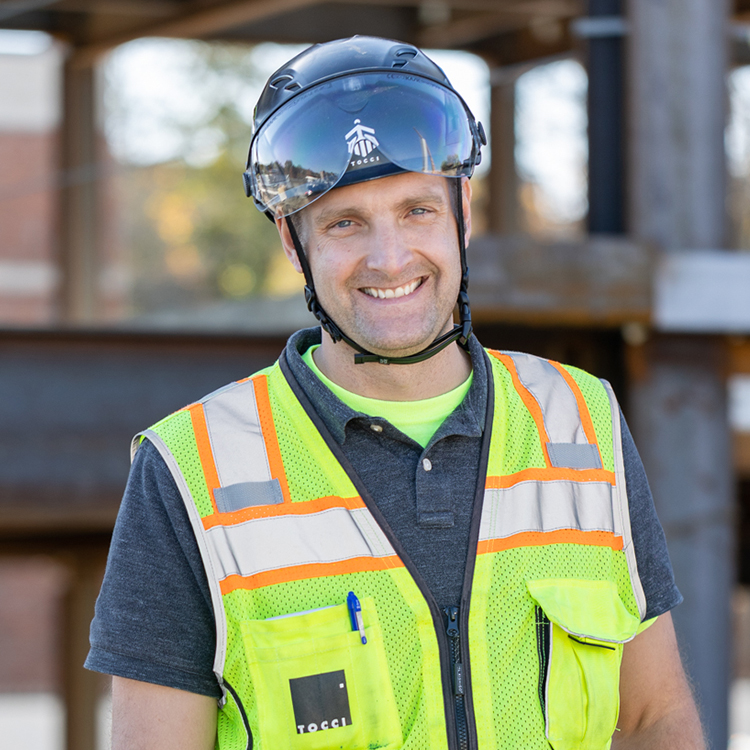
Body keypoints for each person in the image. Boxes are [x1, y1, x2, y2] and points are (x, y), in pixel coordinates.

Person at [86, 36, 704, 750]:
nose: (389, 258)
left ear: (462, 211)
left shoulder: (582, 422)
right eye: (345, 223)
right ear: (294, 244)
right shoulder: (192, 472)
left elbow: (655, 718)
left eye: (417, 210)